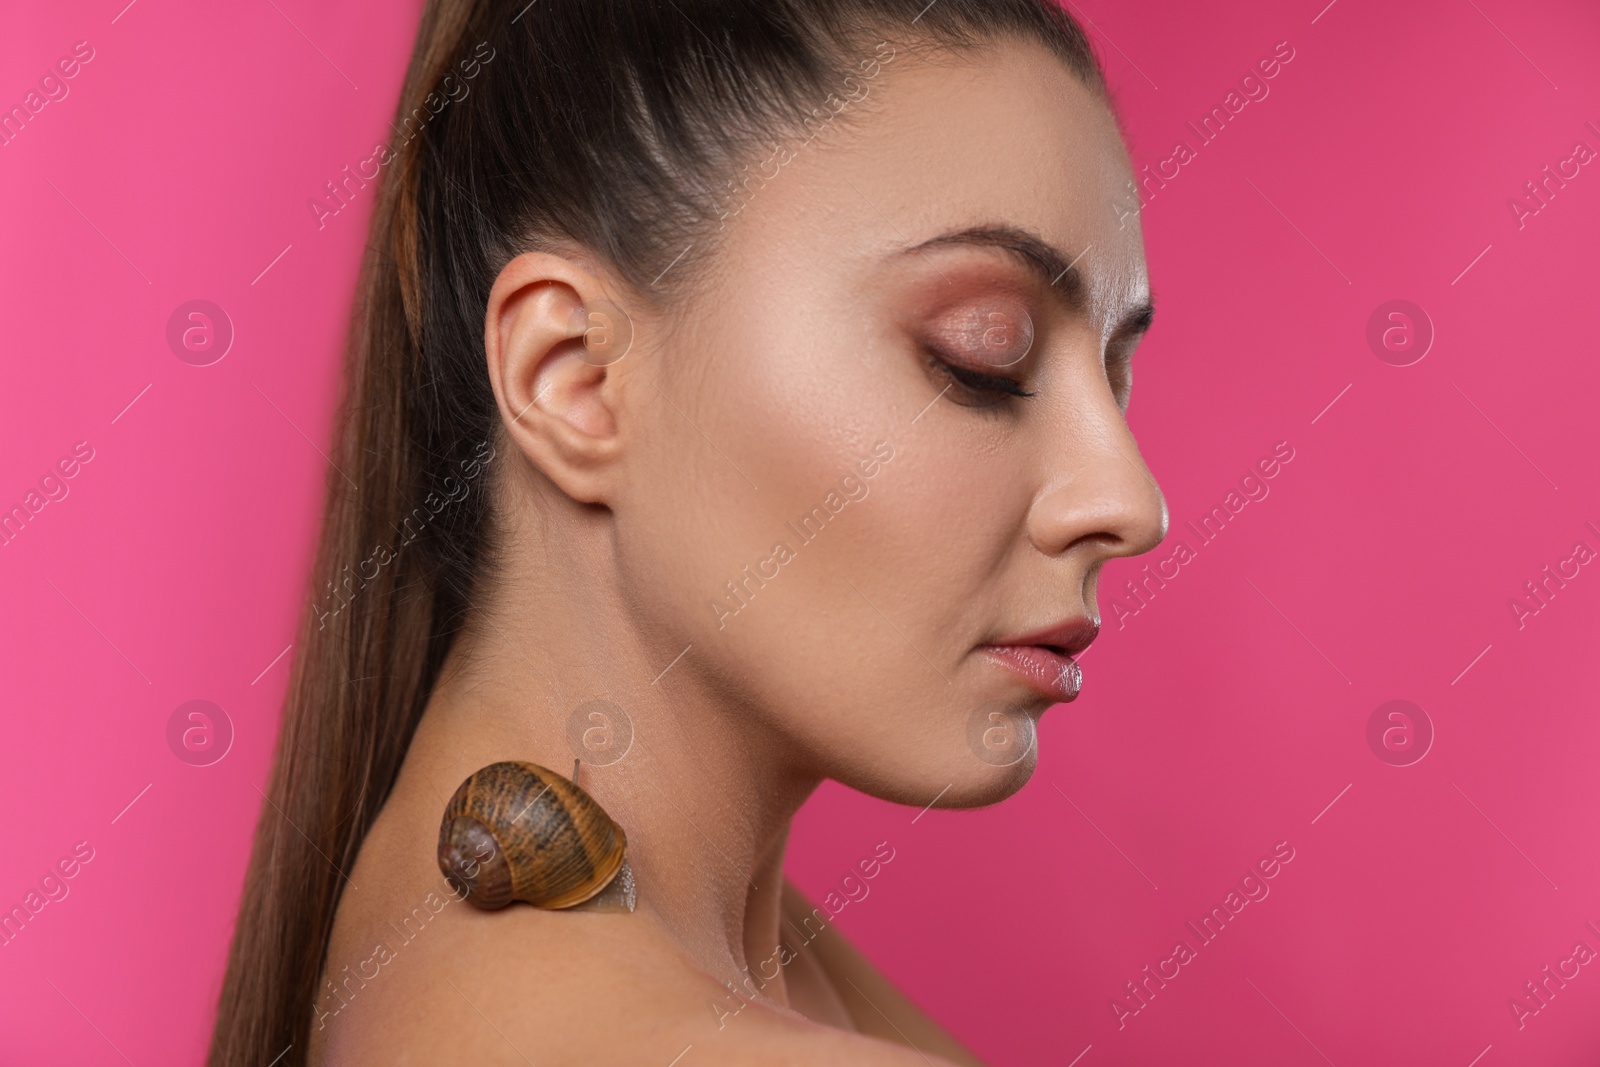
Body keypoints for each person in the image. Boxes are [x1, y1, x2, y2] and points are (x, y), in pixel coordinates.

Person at [208, 0, 1167, 1063]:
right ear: (575, 378)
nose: (1128, 500)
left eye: (1115, 374)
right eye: (979, 355)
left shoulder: (714, 946)